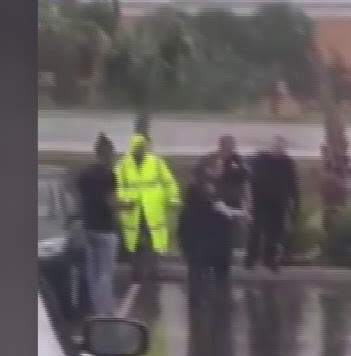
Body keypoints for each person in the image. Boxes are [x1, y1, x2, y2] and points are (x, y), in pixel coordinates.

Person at [178, 154, 244, 299]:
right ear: (209, 169)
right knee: (200, 270)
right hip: (200, 236)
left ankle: (207, 300)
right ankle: (202, 301)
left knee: (206, 269)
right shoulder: (202, 186)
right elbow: (216, 205)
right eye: (219, 166)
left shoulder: (210, 184)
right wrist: (239, 214)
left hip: (208, 236)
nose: (222, 169)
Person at [115, 133, 179, 283]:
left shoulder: (156, 162)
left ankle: (153, 270)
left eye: (143, 147)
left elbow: (168, 181)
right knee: (135, 242)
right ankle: (137, 271)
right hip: (133, 210)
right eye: (137, 147)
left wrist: (173, 198)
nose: (140, 150)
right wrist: (125, 200)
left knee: (154, 241)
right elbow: (117, 186)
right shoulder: (123, 165)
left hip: (153, 209)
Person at [72, 134, 121, 316]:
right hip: (105, 229)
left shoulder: (85, 174)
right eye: (113, 154)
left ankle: (95, 309)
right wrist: (126, 207)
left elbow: (80, 199)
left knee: (93, 272)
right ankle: (106, 311)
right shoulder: (109, 175)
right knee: (105, 273)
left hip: (88, 227)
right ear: (108, 154)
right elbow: (111, 203)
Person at [245, 135, 299, 271]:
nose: (278, 150)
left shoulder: (287, 163)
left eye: (281, 147)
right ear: (270, 146)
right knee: (255, 231)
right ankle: (250, 259)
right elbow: (249, 181)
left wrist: (294, 200)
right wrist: (248, 200)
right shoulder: (259, 159)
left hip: (278, 203)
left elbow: (292, 184)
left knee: (274, 233)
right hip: (259, 201)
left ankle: (269, 260)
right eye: (275, 146)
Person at [211, 135, 252, 264]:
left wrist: (248, 201)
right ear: (221, 146)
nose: (230, 149)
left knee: (232, 231)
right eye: (227, 146)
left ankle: (227, 258)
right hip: (217, 201)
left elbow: (245, 181)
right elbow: (208, 180)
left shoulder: (238, 160)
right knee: (217, 230)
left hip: (234, 201)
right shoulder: (212, 159)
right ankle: (216, 257)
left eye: (232, 146)